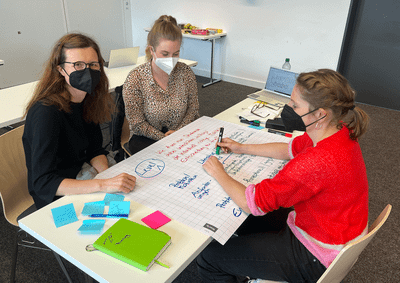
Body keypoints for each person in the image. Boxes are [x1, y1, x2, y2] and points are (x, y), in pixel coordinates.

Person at [197, 69, 370, 282]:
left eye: (295, 105)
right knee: (242, 223)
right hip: (334, 232)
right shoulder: (338, 131)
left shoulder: (316, 162)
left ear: (320, 114)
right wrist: (242, 148)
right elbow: (289, 148)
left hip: (315, 255)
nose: (288, 108)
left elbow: (249, 203)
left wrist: (218, 172)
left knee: (208, 258)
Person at [23, 33, 136, 210]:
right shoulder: (46, 113)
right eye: (78, 65)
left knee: (131, 204)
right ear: (60, 69)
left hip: (83, 176)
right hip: (56, 196)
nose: (87, 70)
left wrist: (108, 177)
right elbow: (43, 183)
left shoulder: (86, 99)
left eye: (92, 64)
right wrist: (103, 185)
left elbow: (94, 149)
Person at [123, 15, 199, 154]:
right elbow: (137, 123)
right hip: (147, 139)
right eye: (165, 54)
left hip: (181, 135)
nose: (171, 59)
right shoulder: (136, 79)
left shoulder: (185, 72)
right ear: (151, 50)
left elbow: (193, 109)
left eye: (175, 53)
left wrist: (178, 132)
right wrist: (163, 137)